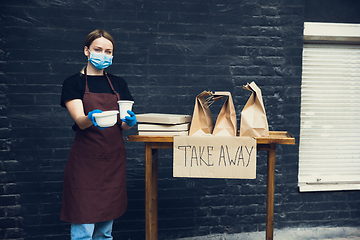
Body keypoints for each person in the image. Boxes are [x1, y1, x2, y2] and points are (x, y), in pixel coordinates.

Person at [59, 29, 137, 239]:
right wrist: (90, 118)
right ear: (86, 50)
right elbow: (80, 122)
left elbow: (123, 124)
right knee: (84, 227)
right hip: (85, 162)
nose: (103, 54)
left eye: (108, 51)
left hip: (113, 160)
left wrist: (129, 122)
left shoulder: (119, 84)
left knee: (105, 228)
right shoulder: (73, 83)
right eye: (98, 49)